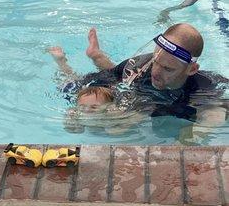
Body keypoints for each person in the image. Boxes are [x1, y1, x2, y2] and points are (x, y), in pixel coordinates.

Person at [84, 24, 228, 143]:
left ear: (192, 69)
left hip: (169, 102)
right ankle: (96, 56)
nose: (155, 72)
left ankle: (97, 55)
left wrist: (195, 134)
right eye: (156, 62)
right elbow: (89, 87)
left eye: (167, 68)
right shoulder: (137, 68)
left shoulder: (206, 85)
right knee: (115, 127)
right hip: (140, 89)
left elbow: (216, 114)